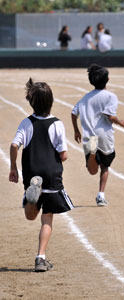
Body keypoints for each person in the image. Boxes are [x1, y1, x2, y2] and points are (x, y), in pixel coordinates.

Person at [9, 79, 73, 272]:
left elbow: (14, 145)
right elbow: (64, 154)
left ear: (31, 102)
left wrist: (13, 167)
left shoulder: (26, 123)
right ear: (51, 101)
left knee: (30, 215)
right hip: (51, 175)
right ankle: (40, 257)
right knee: (47, 219)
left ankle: (31, 199)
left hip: (32, 172)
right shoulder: (57, 124)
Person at [71, 64, 124, 206]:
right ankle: (101, 195)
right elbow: (110, 116)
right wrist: (121, 122)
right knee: (105, 166)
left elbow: (73, 113)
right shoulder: (110, 96)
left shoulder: (85, 98)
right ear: (107, 79)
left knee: (92, 170)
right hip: (104, 134)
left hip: (89, 135)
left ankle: (93, 154)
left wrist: (76, 130)